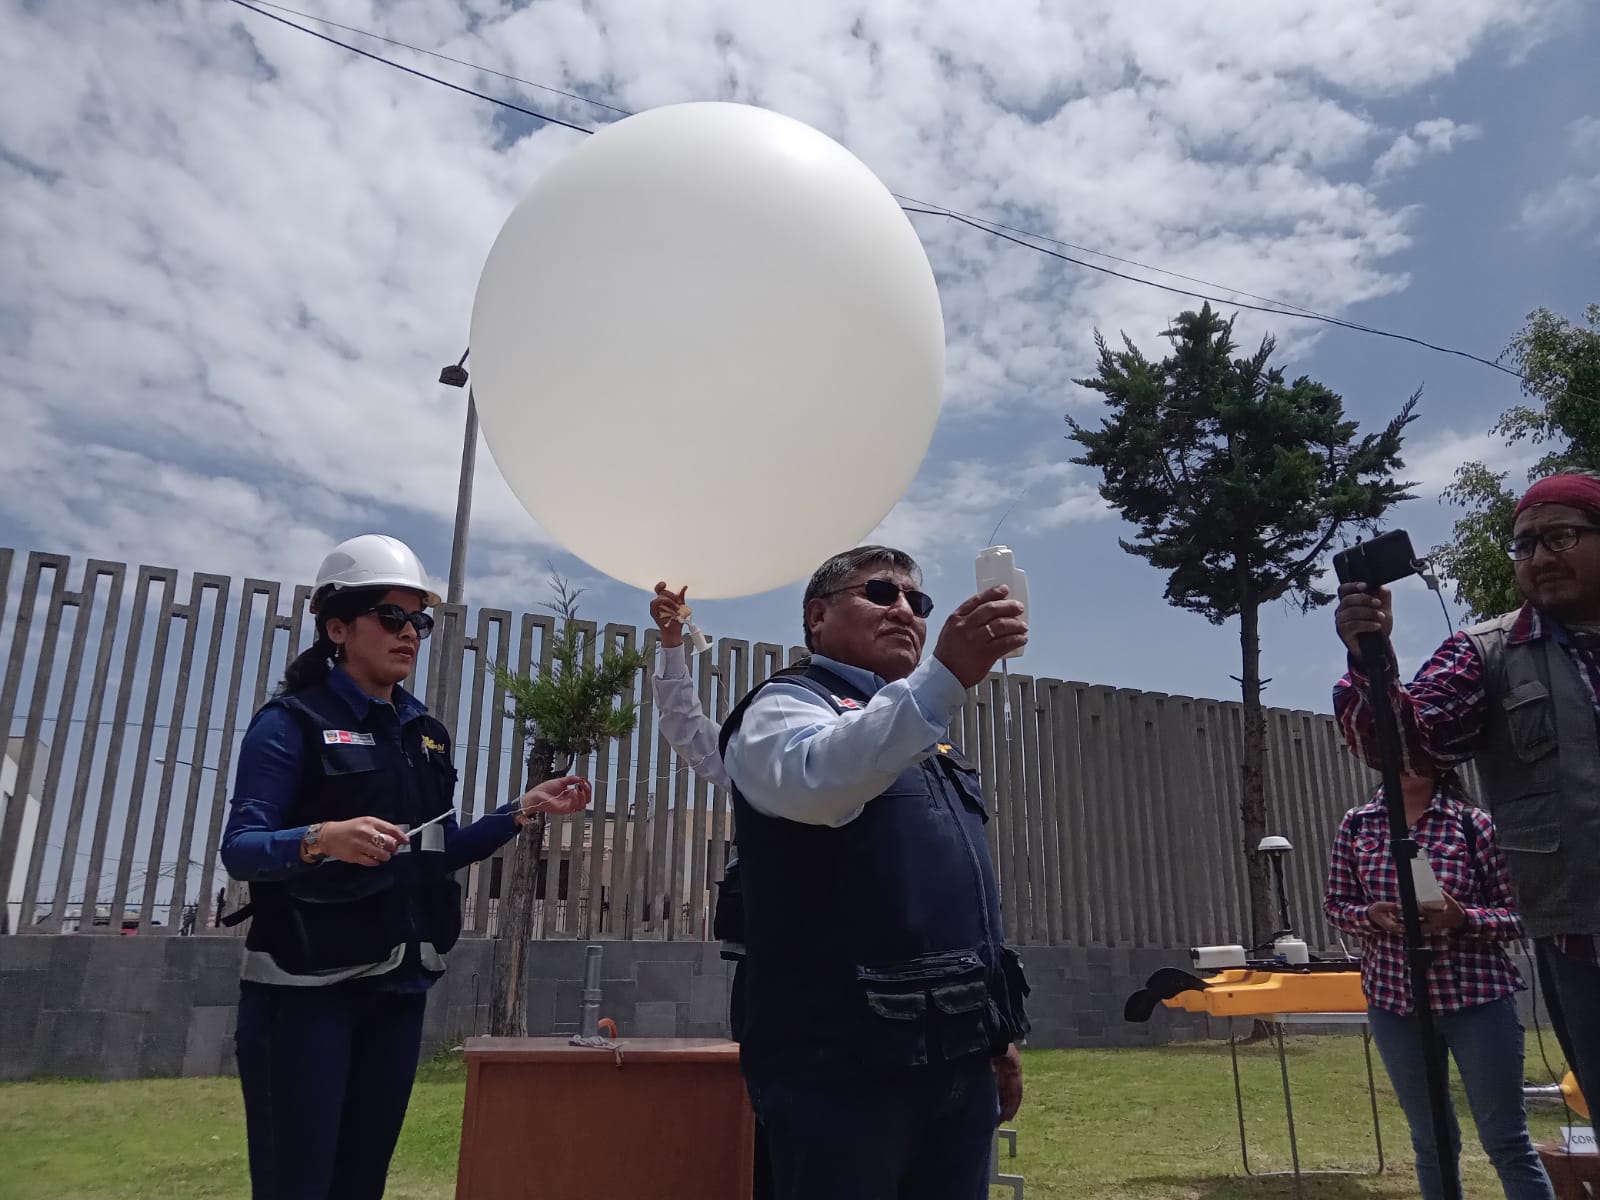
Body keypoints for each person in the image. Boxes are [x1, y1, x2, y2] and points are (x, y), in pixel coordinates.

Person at [221, 534, 592, 1200]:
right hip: (302, 994)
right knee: (297, 1186)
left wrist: (519, 811)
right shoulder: (290, 724)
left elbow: (436, 848)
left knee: (361, 1184)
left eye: (418, 621)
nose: (410, 634)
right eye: (391, 617)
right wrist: (320, 838)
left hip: (398, 989)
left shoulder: (427, 732)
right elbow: (242, 847)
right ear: (338, 626)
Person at [716, 545, 1032, 1200]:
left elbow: (958, 899)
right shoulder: (784, 707)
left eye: (918, 602)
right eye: (881, 593)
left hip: (956, 1059)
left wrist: (995, 1034)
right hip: (842, 1072)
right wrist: (944, 677)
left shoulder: (924, 729)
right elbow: (818, 782)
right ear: (817, 617)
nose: (905, 611)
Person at [1333, 470, 1600, 1112]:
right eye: (1524, 545)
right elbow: (1403, 748)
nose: (1538, 557)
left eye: (1559, 536)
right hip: (1584, 939)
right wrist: (1371, 658)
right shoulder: (1487, 653)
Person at [1323, 767, 1555, 1200]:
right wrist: (1369, 915)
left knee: (1505, 1140)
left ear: (1440, 759)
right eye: (1398, 749)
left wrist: (1464, 918)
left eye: (1419, 747)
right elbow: (1336, 905)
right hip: (1395, 1003)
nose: (1408, 759)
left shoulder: (1473, 823)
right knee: (1431, 1142)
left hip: (1477, 1000)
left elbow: (1522, 915)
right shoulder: (1358, 823)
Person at [647, 581, 776, 1200]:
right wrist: (673, 645)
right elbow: (686, 726)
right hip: (771, 967)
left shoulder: (872, 760)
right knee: (769, 1118)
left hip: (863, 967)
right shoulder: (755, 764)